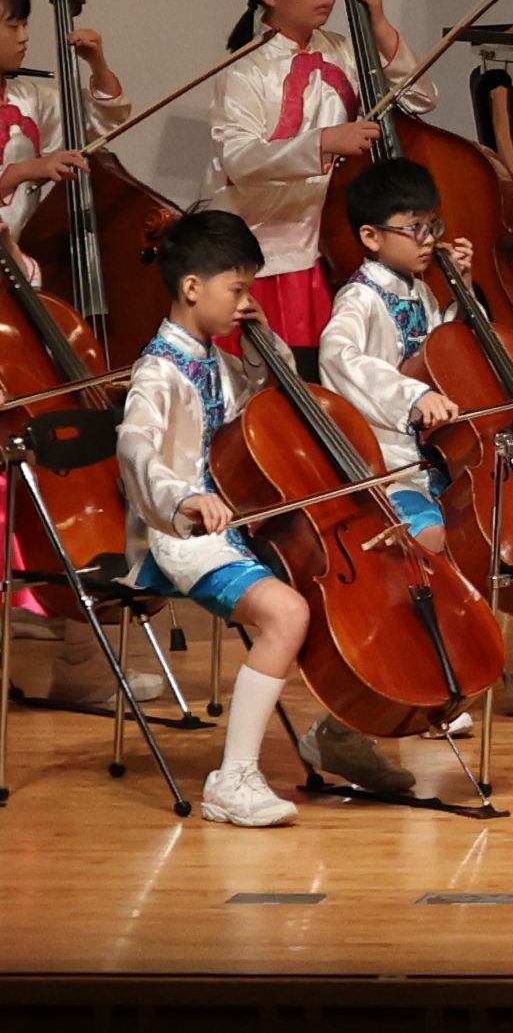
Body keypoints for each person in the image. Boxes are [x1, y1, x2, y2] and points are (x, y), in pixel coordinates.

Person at [310, 155, 513, 732]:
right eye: (413, 228)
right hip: (391, 463)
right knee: (431, 539)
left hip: (442, 456)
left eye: (431, 225)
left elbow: (443, 351)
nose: (427, 239)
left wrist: (460, 294)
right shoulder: (359, 299)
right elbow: (340, 359)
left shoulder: (418, 290)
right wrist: (411, 396)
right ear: (371, 236)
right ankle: (429, 676)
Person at [122, 207, 336, 826]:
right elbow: (135, 448)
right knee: (286, 613)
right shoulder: (157, 371)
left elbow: (269, 402)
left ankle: (342, 735)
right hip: (184, 536)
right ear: (193, 287)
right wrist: (182, 498)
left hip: (240, 527)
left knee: (328, 599)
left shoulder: (216, 359)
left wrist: (263, 345)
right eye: (238, 289)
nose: (246, 301)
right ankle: (232, 777)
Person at [193, 0, 392, 344]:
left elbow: (420, 97)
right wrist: (323, 142)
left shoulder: (345, 49)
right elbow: (239, 160)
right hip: (264, 250)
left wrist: (379, 24)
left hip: (329, 244)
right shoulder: (245, 69)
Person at [0, 0, 127, 291]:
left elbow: (98, 124)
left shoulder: (30, 99)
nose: (24, 37)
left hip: (18, 266)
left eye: (25, 25)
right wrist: (26, 170)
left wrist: (97, 63)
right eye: (13, 26)